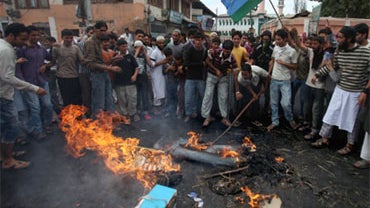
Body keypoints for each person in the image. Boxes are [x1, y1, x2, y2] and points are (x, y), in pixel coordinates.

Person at [311, 26, 370, 156]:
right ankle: (325, 138)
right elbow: (331, 65)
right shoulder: (339, 52)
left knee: (351, 121)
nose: (338, 40)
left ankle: (350, 145)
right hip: (340, 89)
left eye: (341, 37)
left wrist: (365, 92)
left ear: (349, 39)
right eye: (337, 37)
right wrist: (317, 75)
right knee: (330, 115)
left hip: (355, 92)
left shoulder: (365, 52)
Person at [0, 23, 47, 169]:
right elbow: (7, 77)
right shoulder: (6, 50)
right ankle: (8, 160)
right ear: (11, 36)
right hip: (3, 95)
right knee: (12, 127)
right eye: (22, 39)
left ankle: (5, 155)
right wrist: (34, 88)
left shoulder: (3, 47)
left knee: (3, 126)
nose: (25, 42)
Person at [16, 25, 54, 139]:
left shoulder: (41, 49)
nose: (36, 37)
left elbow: (52, 60)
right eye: (33, 35)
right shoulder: (21, 50)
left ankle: (47, 125)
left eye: (38, 35)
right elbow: (17, 68)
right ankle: (37, 131)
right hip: (28, 83)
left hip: (42, 81)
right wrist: (22, 83)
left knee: (47, 105)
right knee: (35, 107)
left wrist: (45, 66)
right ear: (28, 36)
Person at [84, 21, 121, 116]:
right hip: (96, 75)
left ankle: (109, 121)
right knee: (99, 101)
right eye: (101, 31)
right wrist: (110, 68)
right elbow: (90, 63)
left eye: (105, 31)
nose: (104, 33)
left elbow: (100, 61)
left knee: (109, 99)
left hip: (104, 73)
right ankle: (99, 124)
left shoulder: (98, 41)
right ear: (95, 30)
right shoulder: (90, 43)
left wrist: (112, 60)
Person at [267, 29, 299, 131]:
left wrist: (284, 63)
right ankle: (275, 121)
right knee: (274, 103)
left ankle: (290, 119)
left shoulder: (292, 51)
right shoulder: (275, 48)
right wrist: (269, 72)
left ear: (285, 39)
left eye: (279, 39)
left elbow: (294, 66)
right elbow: (272, 60)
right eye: (276, 39)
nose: (277, 41)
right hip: (274, 79)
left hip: (285, 80)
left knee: (286, 103)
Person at [202, 39, 237, 127]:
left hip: (223, 78)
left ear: (231, 50)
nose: (226, 52)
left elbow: (235, 73)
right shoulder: (216, 52)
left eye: (228, 50)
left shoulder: (232, 58)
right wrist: (216, 70)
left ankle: (224, 118)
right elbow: (207, 61)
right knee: (208, 95)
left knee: (223, 97)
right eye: (225, 49)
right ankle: (207, 117)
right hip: (212, 75)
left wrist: (237, 90)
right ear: (223, 48)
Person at [51, 29, 84, 106]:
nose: (69, 40)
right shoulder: (56, 48)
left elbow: (82, 61)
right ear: (62, 38)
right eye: (67, 38)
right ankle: (68, 116)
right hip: (62, 77)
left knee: (77, 98)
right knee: (66, 99)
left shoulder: (76, 48)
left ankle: (77, 116)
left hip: (74, 76)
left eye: (71, 38)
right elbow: (53, 61)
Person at [301, 36, 325, 140]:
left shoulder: (326, 55)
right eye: (312, 44)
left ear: (321, 45)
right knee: (307, 106)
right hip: (308, 84)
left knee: (316, 109)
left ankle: (315, 130)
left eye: (316, 44)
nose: (313, 46)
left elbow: (326, 68)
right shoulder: (311, 52)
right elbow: (298, 45)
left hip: (320, 86)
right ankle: (308, 124)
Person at [113, 39, 139, 125]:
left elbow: (136, 67)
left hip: (130, 82)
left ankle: (133, 113)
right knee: (122, 100)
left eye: (125, 46)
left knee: (132, 98)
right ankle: (125, 115)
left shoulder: (130, 57)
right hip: (119, 83)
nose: (124, 48)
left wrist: (134, 75)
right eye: (122, 46)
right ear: (118, 47)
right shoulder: (115, 57)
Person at [183, 32, 207, 123]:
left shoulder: (204, 50)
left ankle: (202, 114)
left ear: (202, 41)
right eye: (196, 40)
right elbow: (186, 64)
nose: (198, 42)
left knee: (202, 97)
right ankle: (188, 114)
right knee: (188, 97)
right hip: (190, 77)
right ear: (194, 41)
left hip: (201, 77)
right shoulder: (189, 49)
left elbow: (206, 62)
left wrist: (201, 65)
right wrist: (200, 64)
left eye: (200, 40)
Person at [150, 36, 172, 115]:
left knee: (162, 91)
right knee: (156, 91)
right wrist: (162, 62)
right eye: (160, 43)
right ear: (156, 43)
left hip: (163, 74)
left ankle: (162, 108)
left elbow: (166, 62)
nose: (162, 44)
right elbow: (151, 64)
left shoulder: (164, 51)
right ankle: (155, 108)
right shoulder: (154, 52)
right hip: (156, 74)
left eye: (163, 43)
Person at [133, 40, 152, 120]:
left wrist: (144, 52)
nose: (140, 49)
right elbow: (133, 61)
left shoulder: (144, 55)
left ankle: (145, 111)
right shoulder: (133, 54)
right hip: (136, 77)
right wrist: (137, 51)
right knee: (136, 95)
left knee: (145, 95)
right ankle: (137, 111)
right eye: (138, 48)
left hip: (143, 77)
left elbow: (150, 63)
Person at [77, 26, 94, 112]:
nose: (92, 35)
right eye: (91, 33)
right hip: (84, 72)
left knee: (95, 93)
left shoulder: (97, 43)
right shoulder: (80, 44)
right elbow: (81, 60)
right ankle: (87, 113)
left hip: (94, 72)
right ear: (87, 33)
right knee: (86, 93)